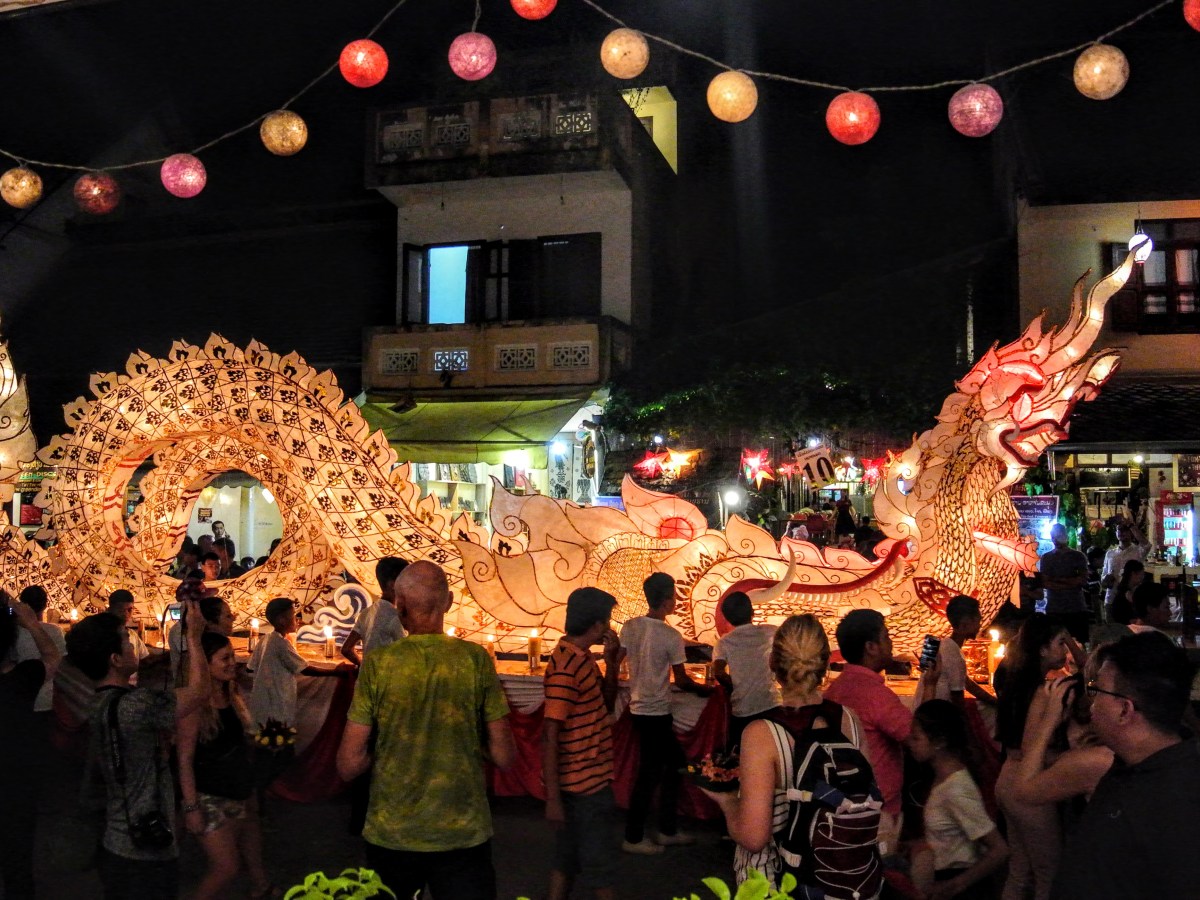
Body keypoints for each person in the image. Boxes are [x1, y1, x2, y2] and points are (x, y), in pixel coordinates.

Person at [337, 561, 516, 900]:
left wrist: (387, 746)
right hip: (462, 832)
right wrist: (468, 741)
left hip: (392, 831)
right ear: (448, 602)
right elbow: (505, 756)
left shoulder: (379, 664)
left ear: (399, 605)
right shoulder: (475, 660)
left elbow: (348, 764)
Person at [701, 614, 868, 888]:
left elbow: (754, 837)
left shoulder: (761, 734)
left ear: (771, 663)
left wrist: (727, 801)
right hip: (841, 877)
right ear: (826, 663)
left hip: (780, 882)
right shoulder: (850, 721)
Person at [71, 598, 209, 900]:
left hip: (114, 840)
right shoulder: (135, 705)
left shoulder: (98, 703)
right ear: (115, 659)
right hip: (145, 849)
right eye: (126, 640)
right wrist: (194, 639)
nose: (133, 644)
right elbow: (199, 692)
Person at [1050, 633, 1200, 899]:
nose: (1092, 702)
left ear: (1124, 710)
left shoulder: (1177, 803)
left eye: (1097, 690)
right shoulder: (1129, 766)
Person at [824, 609, 939, 838]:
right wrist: (930, 685)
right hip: (877, 811)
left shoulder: (834, 689)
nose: (891, 643)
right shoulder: (875, 695)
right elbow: (921, 741)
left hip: (841, 802)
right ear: (871, 647)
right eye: (886, 637)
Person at [178, 632, 274, 899]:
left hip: (237, 789)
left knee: (246, 844)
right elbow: (184, 759)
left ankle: (260, 886)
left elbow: (233, 740)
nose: (233, 662)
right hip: (209, 795)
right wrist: (191, 808)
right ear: (204, 664)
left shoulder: (229, 693)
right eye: (225, 658)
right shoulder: (193, 705)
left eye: (233, 656)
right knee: (226, 867)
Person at [542, 587, 624, 900]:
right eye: (607, 620)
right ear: (597, 625)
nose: (609, 627)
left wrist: (611, 663)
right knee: (600, 864)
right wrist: (553, 799)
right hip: (583, 785)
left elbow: (605, 704)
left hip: (586, 779)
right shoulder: (566, 667)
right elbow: (550, 733)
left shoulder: (581, 657)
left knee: (566, 858)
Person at [620, 571, 711, 854]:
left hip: (638, 707)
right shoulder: (671, 635)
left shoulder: (630, 626)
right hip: (656, 712)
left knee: (670, 767)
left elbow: (617, 659)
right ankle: (634, 837)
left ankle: (665, 829)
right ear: (666, 600)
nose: (677, 599)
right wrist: (704, 690)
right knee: (655, 772)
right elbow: (681, 680)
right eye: (674, 595)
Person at [992, 614, 1071, 900]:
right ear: (1042, 649)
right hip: (1028, 787)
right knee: (1049, 873)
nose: (1066, 650)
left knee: (1020, 871)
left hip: (1006, 779)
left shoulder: (1014, 680)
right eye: (1061, 643)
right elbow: (1031, 751)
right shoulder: (1041, 692)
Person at [907, 700, 1008, 899]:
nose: (909, 742)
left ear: (939, 742)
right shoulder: (941, 778)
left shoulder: (956, 788)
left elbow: (1000, 850)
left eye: (916, 737)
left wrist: (954, 885)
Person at [1, 590, 63, 898]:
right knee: (18, 856)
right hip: (16, 782)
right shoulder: (23, 678)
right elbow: (52, 657)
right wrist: (32, 624)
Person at [247, 598, 310, 790]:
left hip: (265, 705)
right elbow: (305, 669)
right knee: (279, 753)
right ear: (282, 620)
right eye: (293, 616)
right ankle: (275, 790)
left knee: (266, 752)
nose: (297, 620)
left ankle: (265, 790)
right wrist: (338, 672)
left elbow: (250, 667)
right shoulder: (280, 643)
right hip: (276, 707)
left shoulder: (266, 639)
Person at [713, 591, 780, 750]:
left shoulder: (724, 642)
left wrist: (736, 686)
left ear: (727, 619)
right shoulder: (770, 632)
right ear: (753, 612)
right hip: (771, 704)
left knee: (742, 753)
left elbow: (719, 672)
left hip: (742, 710)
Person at [916, 595, 996, 710]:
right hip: (935, 716)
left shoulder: (933, 645)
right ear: (965, 623)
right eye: (978, 621)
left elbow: (966, 682)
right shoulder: (955, 654)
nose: (979, 626)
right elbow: (958, 700)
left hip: (920, 712)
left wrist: (994, 701)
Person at [9, 584, 68, 715]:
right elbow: (61, 662)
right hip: (49, 699)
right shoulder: (55, 631)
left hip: (19, 697)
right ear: (45, 605)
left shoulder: (12, 632)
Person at [341, 556, 407, 667]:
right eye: (406, 580)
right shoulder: (394, 616)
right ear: (392, 585)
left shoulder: (366, 612)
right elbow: (407, 654)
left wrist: (363, 666)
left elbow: (346, 649)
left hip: (366, 676)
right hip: (386, 676)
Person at [1037, 524, 1090, 643]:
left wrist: (1057, 579)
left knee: (1079, 641)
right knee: (1056, 642)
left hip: (1076, 607)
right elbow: (1046, 583)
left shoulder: (1078, 556)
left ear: (1065, 536)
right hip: (1055, 608)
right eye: (1053, 536)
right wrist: (1070, 582)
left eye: (1058, 535)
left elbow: (1082, 580)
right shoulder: (1046, 557)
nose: (1055, 539)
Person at [169, 589, 234, 681]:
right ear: (210, 622)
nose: (233, 618)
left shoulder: (215, 638)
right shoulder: (183, 634)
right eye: (228, 616)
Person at [1099, 518, 1148, 612]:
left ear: (1131, 532)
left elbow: (1146, 545)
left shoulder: (1138, 551)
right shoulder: (1110, 553)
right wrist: (1107, 579)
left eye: (1125, 529)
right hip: (1111, 599)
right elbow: (1103, 580)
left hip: (1131, 600)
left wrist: (1131, 525)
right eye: (1119, 529)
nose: (1121, 532)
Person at [108, 590, 149, 663]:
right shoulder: (103, 635)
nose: (126, 613)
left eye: (129, 610)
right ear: (110, 610)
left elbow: (144, 658)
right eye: (121, 610)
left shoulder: (132, 634)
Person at [1108, 559, 1144, 626]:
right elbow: (1119, 616)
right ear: (1133, 574)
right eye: (1141, 574)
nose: (1142, 577)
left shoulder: (1129, 589)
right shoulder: (1123, 594)